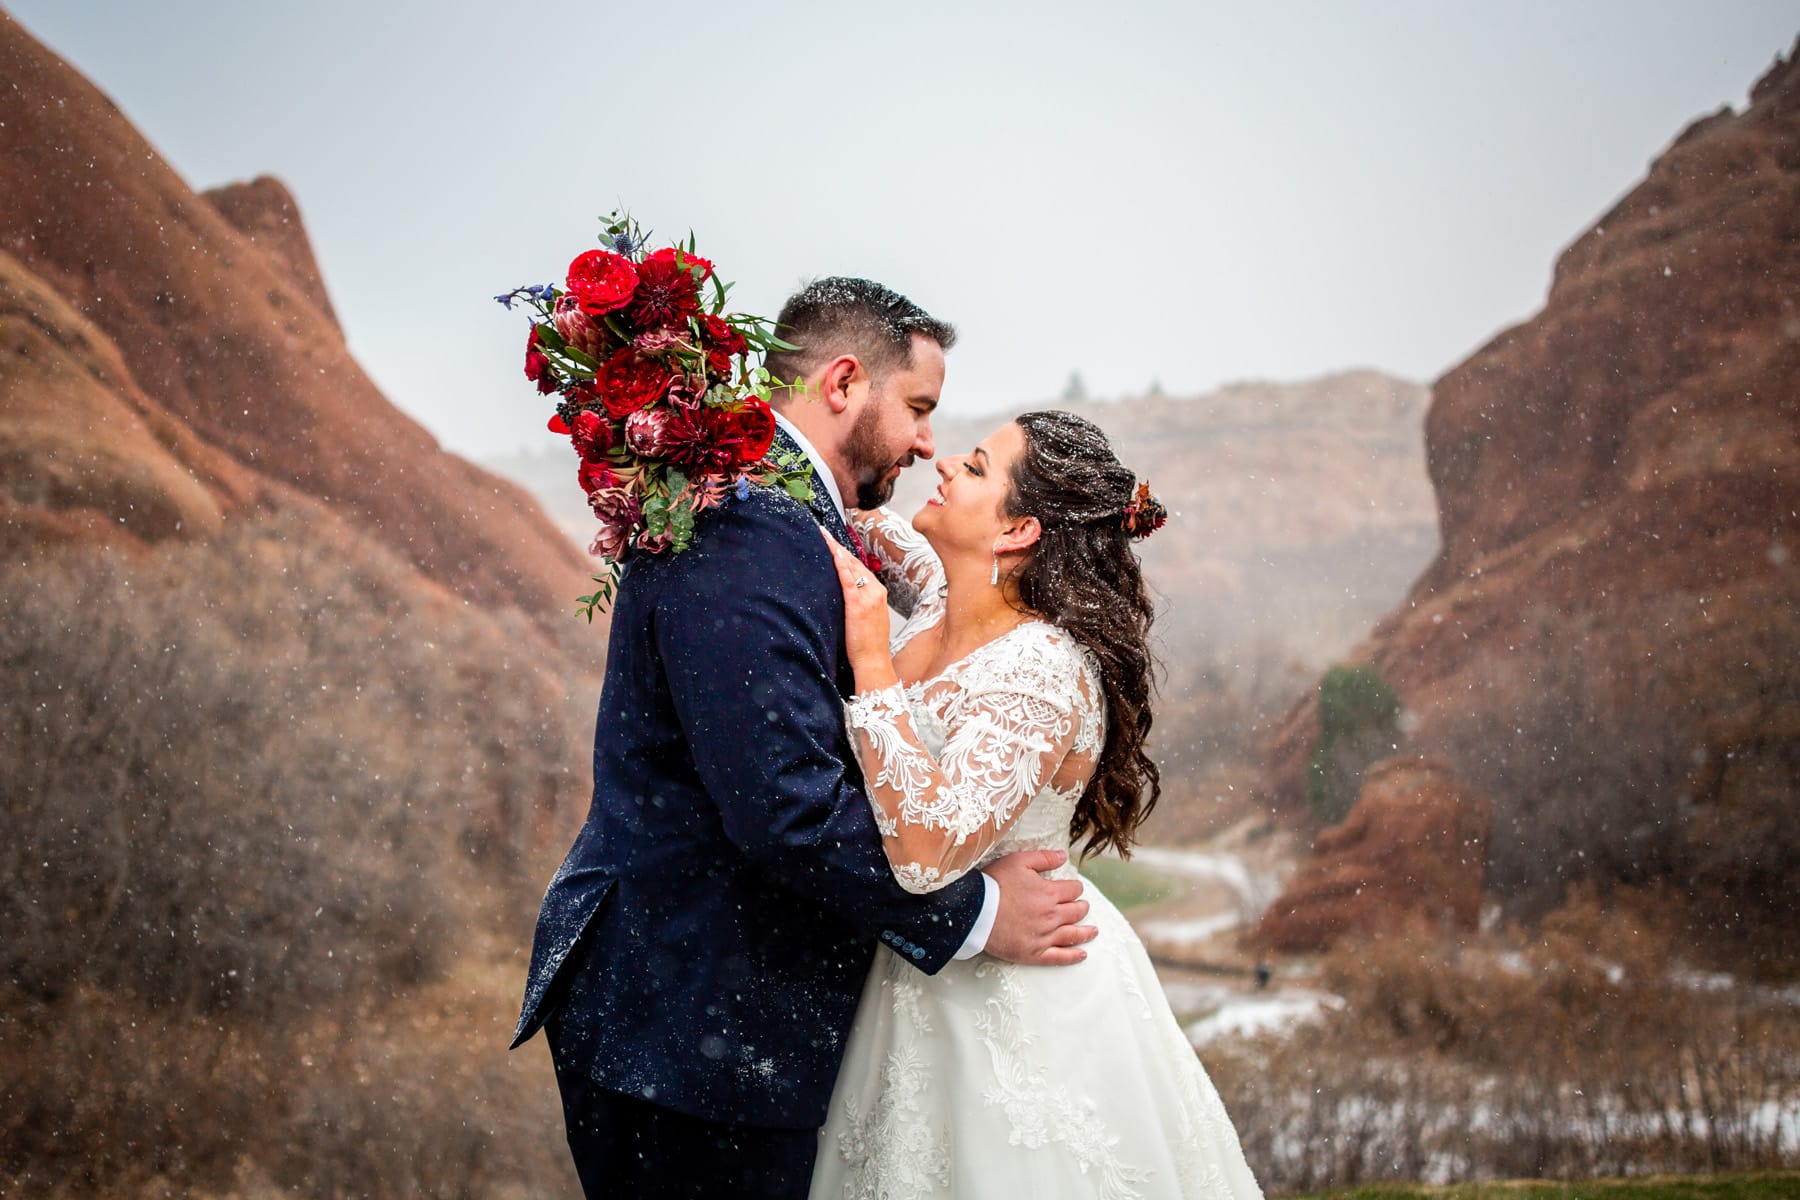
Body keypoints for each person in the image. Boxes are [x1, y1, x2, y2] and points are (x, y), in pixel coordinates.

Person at [511, 279, 1097, 1199]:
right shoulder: (748, 527)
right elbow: (784, 808)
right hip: (687, 1017)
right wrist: (978, 918)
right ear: (844, 383)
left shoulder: (788, 514)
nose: (926, 444)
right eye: (917, 409)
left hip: (711, 1015)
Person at [809, 411, 1264, 1199]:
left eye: (977, 466)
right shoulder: (943, 605)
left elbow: (924, 853)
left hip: (1019, 1001)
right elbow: (860, 515)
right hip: (914, 983)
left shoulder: (1038, 674)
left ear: (1019, 530)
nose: (945, 464)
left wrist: (873, 663)